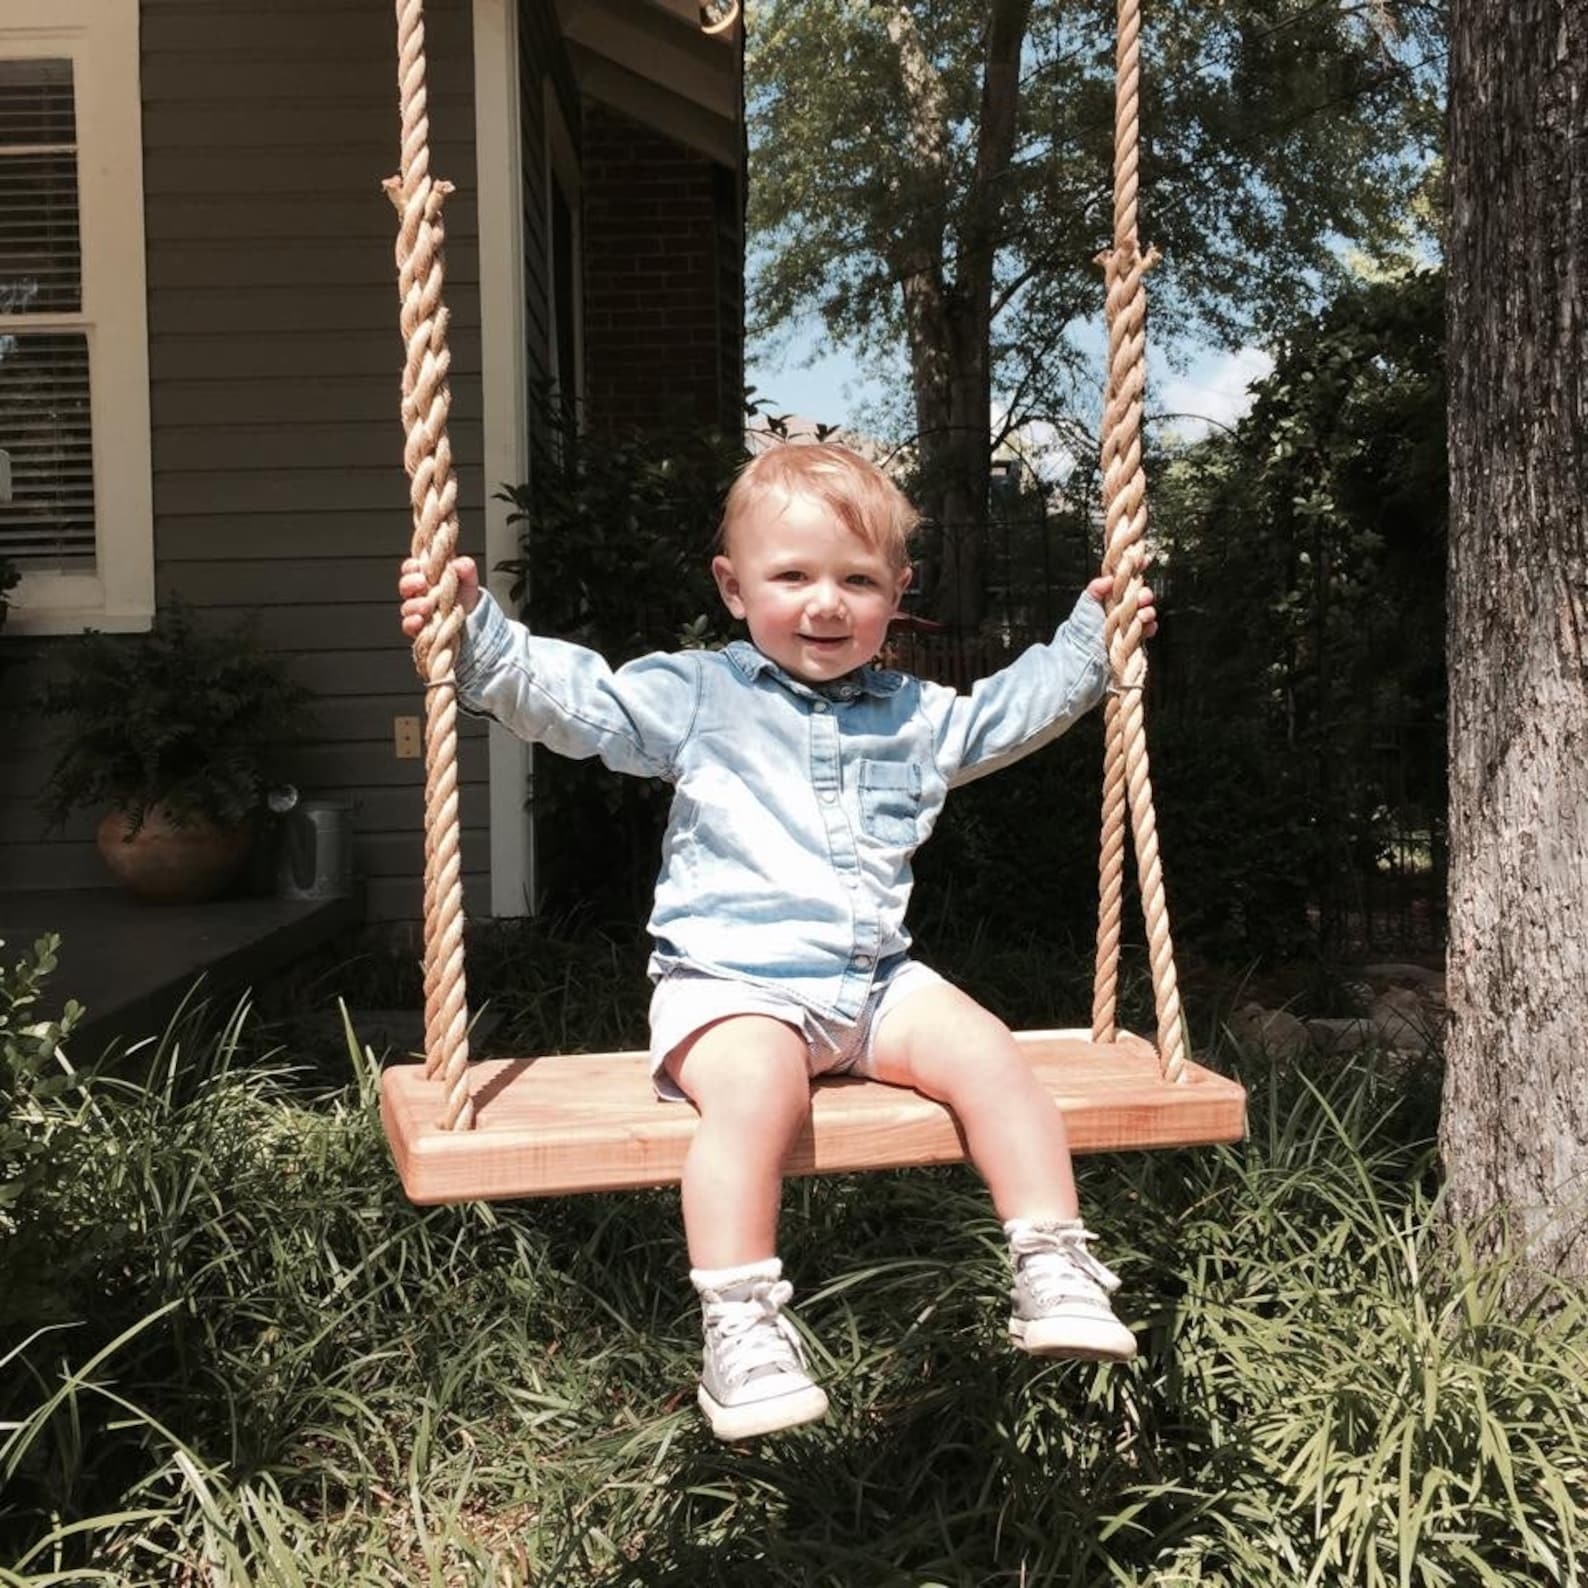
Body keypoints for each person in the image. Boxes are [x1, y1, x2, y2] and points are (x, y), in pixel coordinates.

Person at [398, 443, 1158, 1443]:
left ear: (897, 593)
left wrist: (1092, 637)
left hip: (872, 984)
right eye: (792, 577)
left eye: (856, 580)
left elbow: (1008, 713)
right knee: (760, 1091)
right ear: (733, 586)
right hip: (728, 989)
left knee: (990, 1052)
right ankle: (743, 1322)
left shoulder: (914, 718)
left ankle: (1051, 1259)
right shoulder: (700, 695)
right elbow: (578, 702)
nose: (825, 604)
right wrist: (478, 639)